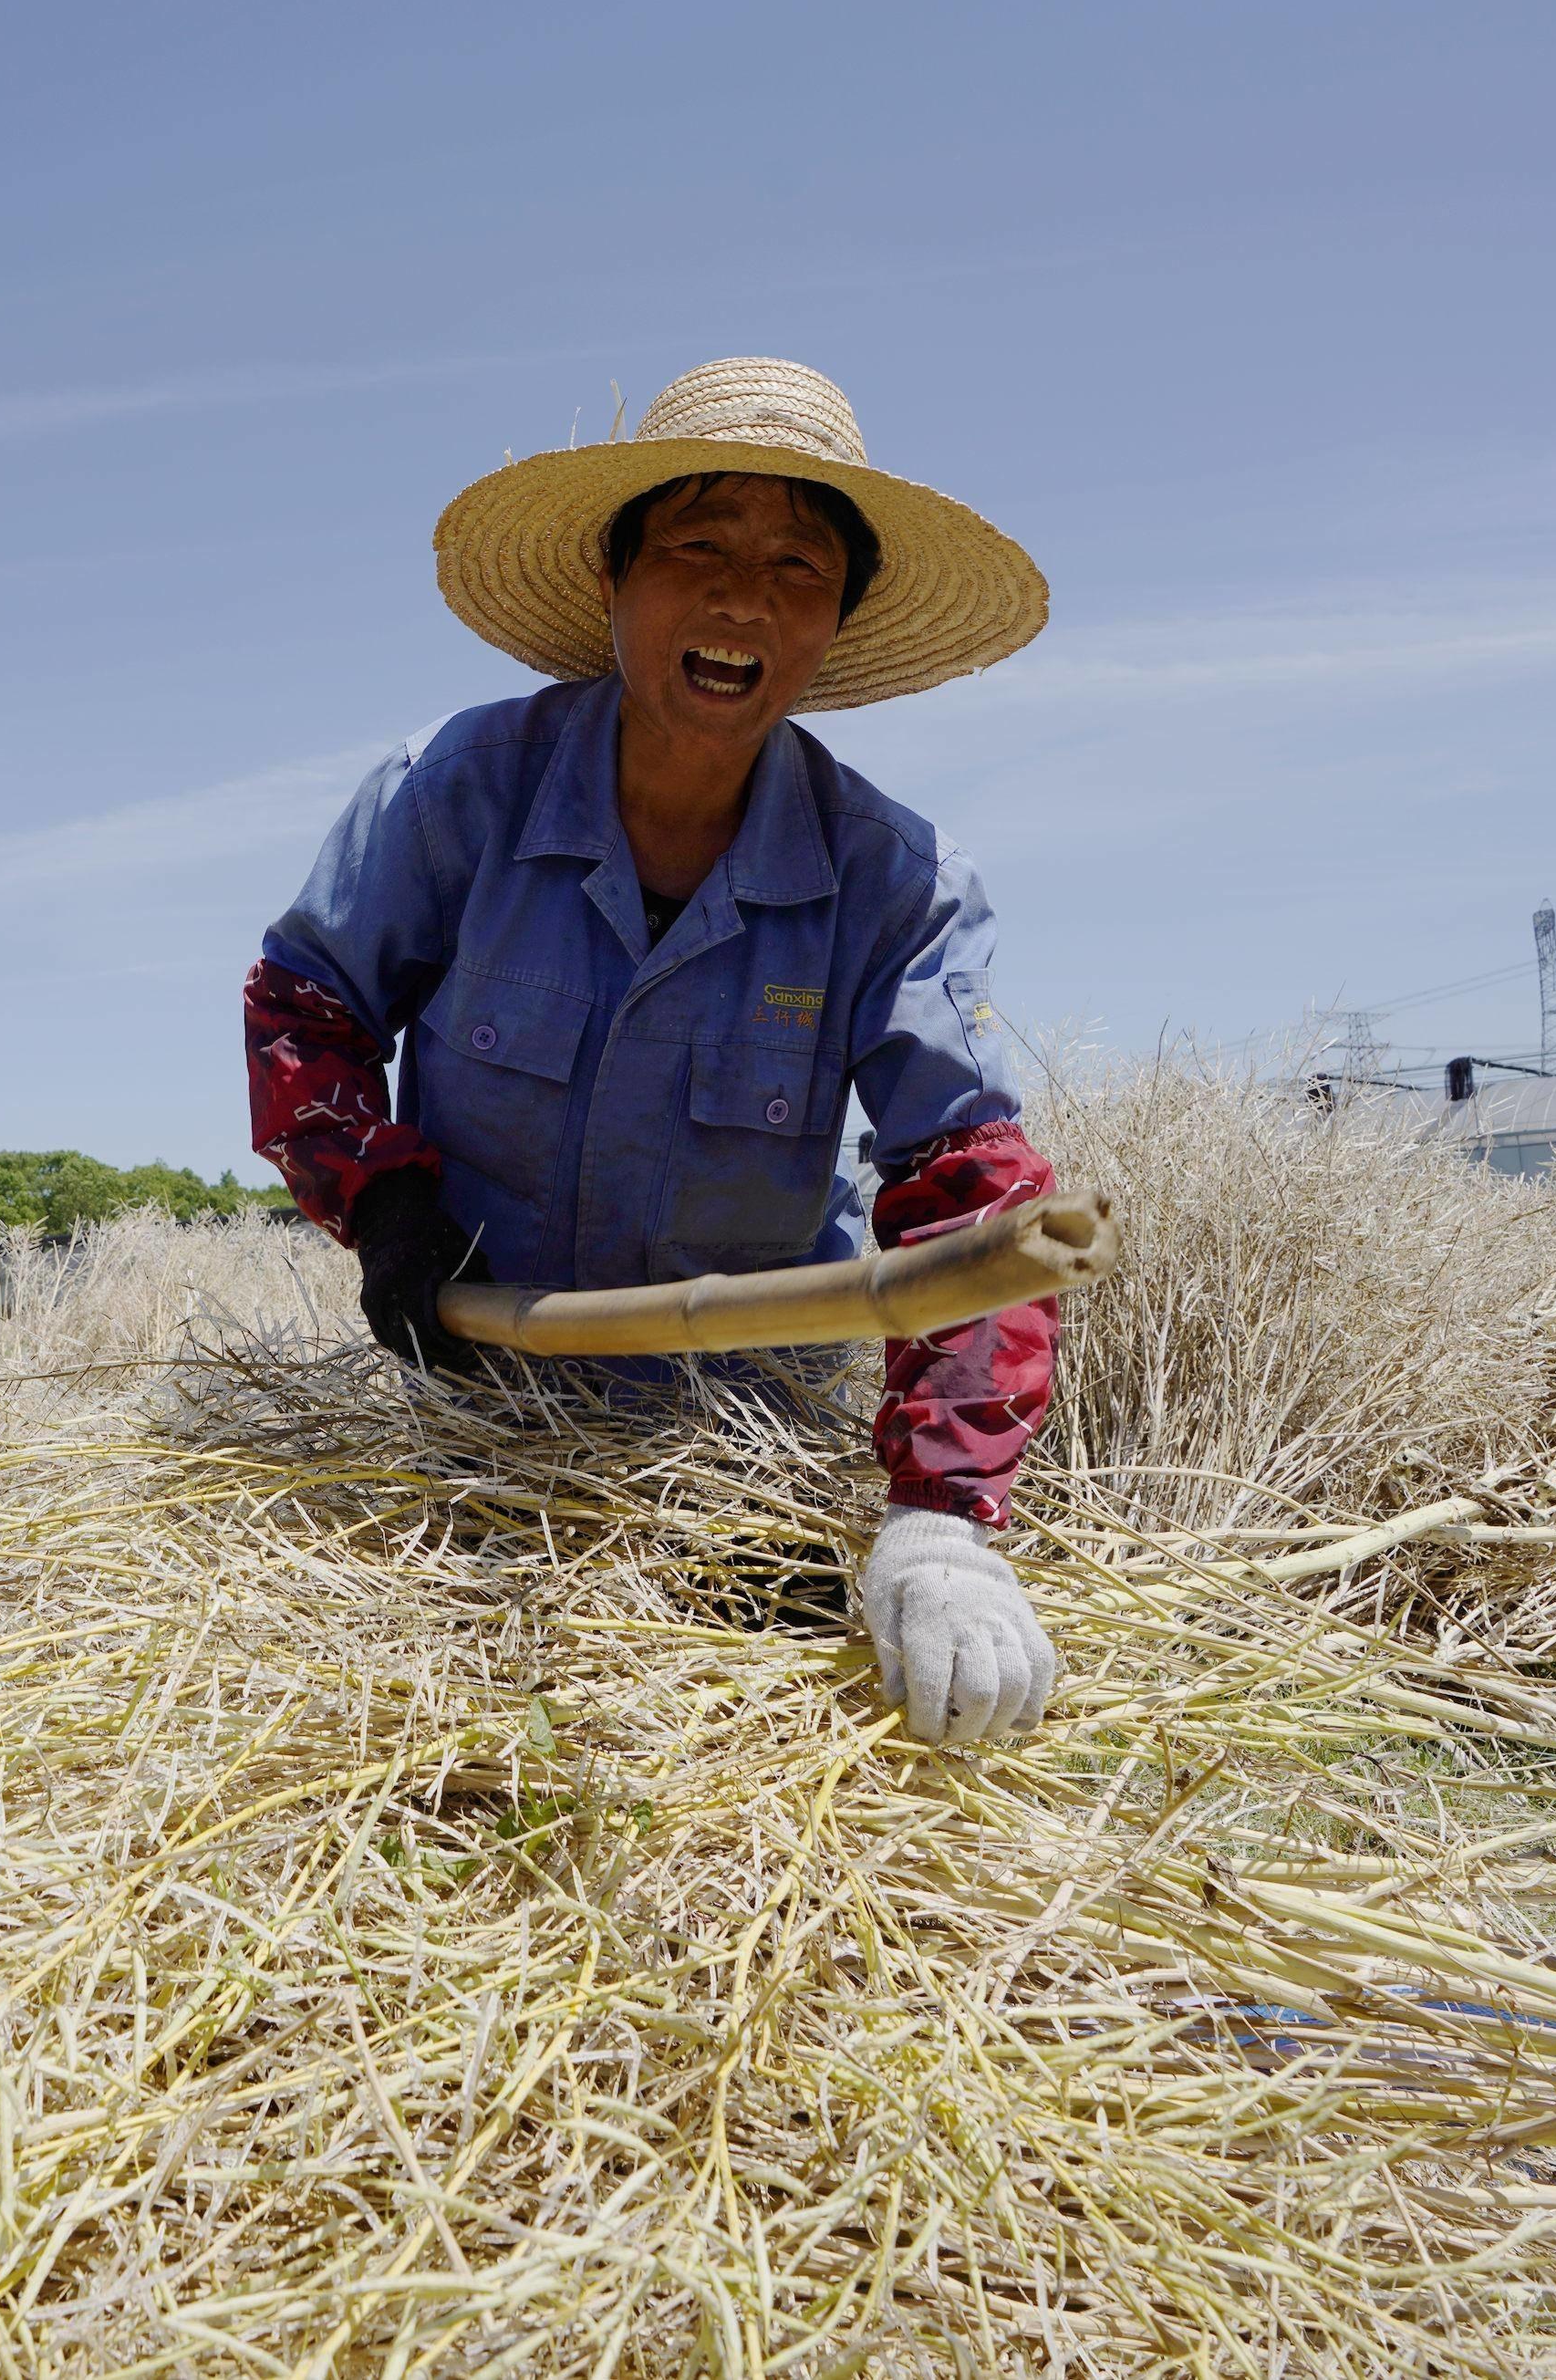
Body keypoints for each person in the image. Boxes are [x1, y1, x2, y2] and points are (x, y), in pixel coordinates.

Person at [247, 359, 1065, 1747]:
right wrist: (382, 1205)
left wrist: (942, 1520)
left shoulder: (897, 884)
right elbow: (307, 1006)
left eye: (797, 566)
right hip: (470, 1424)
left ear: (836, 622)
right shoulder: (457, 794)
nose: (745, 597)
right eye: (698, 547)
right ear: (617, 587)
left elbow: (971, 1197)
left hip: (729, 1455)